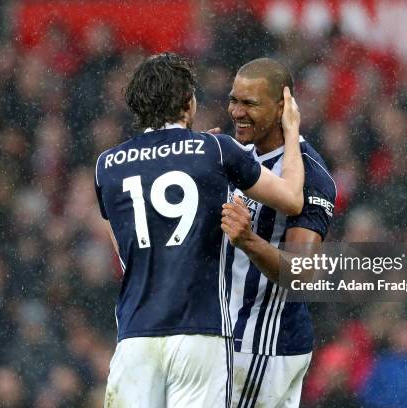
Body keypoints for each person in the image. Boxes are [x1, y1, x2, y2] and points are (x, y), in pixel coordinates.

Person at [94, 52, 304, 408]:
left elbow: (125, 249)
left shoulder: (107, 165)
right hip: (201, 331)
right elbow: (292, 199)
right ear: (188, 103)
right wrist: (292, 131)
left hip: (137, 333)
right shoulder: (216, 150)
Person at [220, 58, 337, 407]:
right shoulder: (233, 154)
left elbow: (301, 275)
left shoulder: (311, 176)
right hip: (226, 337)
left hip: (265, 344)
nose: (237, 112)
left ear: (282, 107)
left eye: (250, 103)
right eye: (234, 100)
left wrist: (249, 240)